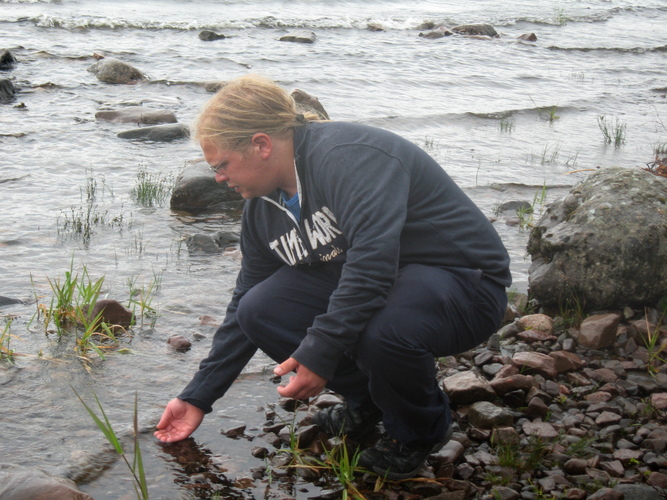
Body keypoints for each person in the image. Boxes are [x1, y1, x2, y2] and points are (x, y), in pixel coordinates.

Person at [154, 74, 511, 480]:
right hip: (384, 284)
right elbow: (243, 305)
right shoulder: (262, 211)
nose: (218, 177)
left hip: (464, 284)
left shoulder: (349, 156)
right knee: (259, 309)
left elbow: (373, 261)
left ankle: (419, 429)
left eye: (221, 165)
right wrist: (199, 395)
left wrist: (320, 351)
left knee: (384, 328)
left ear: (261, 145)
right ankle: (371, 401)